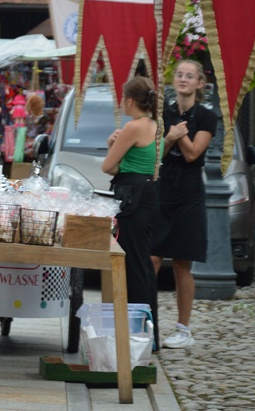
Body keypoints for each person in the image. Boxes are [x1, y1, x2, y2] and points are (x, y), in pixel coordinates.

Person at [152, 60, 215, 349]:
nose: (183, 79)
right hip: (163, 189)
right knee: (151, 258)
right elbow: (156, 154)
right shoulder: (162, 113)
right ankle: (142, 320)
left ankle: (183, 329)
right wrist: (169, 137)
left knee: (181, 263)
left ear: (200, 83)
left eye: (190, 76)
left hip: (189, 195)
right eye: (179, 74)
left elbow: (192, 154)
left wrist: (180, 134)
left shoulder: (206, 117)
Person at [102, 76, 160, 349]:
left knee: (132, 265)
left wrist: (111, 145)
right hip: (147, 194)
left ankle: (138, 333)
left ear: (129, 101)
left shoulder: (133, 126)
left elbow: (108, 166)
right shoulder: (154, 124)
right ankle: (149, 332)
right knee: (142, 264)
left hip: (132, 197)